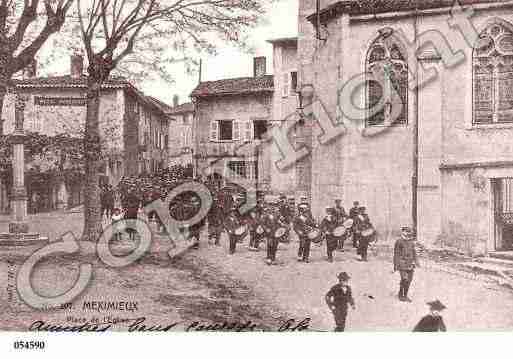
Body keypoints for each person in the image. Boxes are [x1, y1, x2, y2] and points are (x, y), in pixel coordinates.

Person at [393, 226, 419, 302]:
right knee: (405, 279)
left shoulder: (411, 242)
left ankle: (405, 294)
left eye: (409, 232)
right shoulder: (399, 241)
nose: (408, 234)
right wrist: (396, 265)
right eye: (406, 232)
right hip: (402, 264)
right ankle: (402, 295)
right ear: (403, 232)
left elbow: (414, 252)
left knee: (409, 280)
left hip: (410, 264)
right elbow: (396, 254)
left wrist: (416, 261)